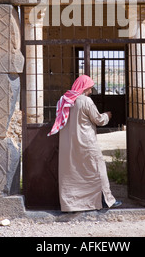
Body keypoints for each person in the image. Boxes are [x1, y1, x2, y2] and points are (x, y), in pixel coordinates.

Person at [48, 74, 122, 212]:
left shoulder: (65, 100)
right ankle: (107, 200)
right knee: (98, 169)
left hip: (69, 144)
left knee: (73, 173)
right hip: (87, 142)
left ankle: (72, 204)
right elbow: (98, 120)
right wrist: (107, 115)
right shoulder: (85, 101)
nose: (90, 91)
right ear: (85, 88)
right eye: (89, 88)